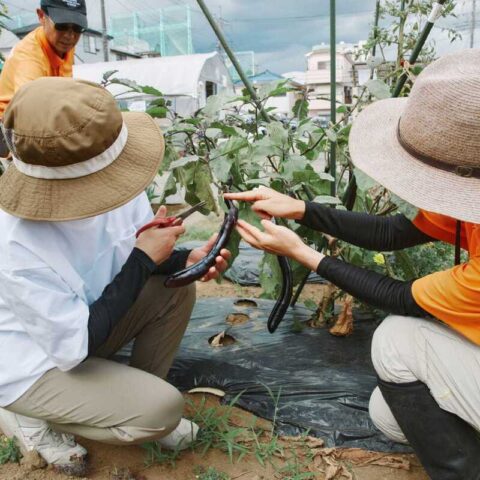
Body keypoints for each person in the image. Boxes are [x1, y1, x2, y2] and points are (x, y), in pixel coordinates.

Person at [225, 49, 480, 480]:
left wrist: (304, 253)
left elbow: (401, 299)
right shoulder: (469, 188)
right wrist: (301, 209)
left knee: (397, 340)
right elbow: (393, 233)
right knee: (391, 416)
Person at [0, 77, 230, 476]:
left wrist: (181, 258)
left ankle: (121, 399)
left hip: (85, 322)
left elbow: (128, 257)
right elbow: (73, 346)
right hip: (33, 363)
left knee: (175, 289)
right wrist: (143, 259)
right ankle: (29, 417)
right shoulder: (16, 243)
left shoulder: (114, 180)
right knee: (161, 410)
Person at [0, 0, 87, 157]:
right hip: (12, 131)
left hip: (48, 116)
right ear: (41, 16)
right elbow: (30, 117)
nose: (70, 35)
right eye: (61, 26)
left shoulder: (64, 46)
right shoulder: (29, 58)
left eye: (77, 28)